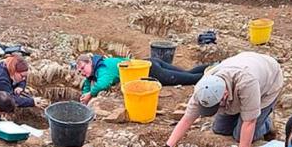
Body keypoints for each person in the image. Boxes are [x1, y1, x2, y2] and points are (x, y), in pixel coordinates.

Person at [156, 51, 283, 147]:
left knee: (240, 135)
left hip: (267, 83)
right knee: (220, 129)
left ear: (225, 94)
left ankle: (266, 123)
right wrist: (167, 146)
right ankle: (244, 113)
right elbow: (187, 118)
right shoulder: (204, 88)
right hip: (245, 67)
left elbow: (249, 122)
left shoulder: (246, 83)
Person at [75, 53, 209, 105]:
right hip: (149, 62)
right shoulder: (98, 66)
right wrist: (84, 95)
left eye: (83, 68)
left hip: (151, 72)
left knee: (191, 79)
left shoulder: (103, 68)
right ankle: (214, 67)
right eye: (80, 71)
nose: (82, 72)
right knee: (188, 73)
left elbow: (103, 84)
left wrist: (90, 94)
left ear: (90, 62)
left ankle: (214, 73)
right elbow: (88, 82)